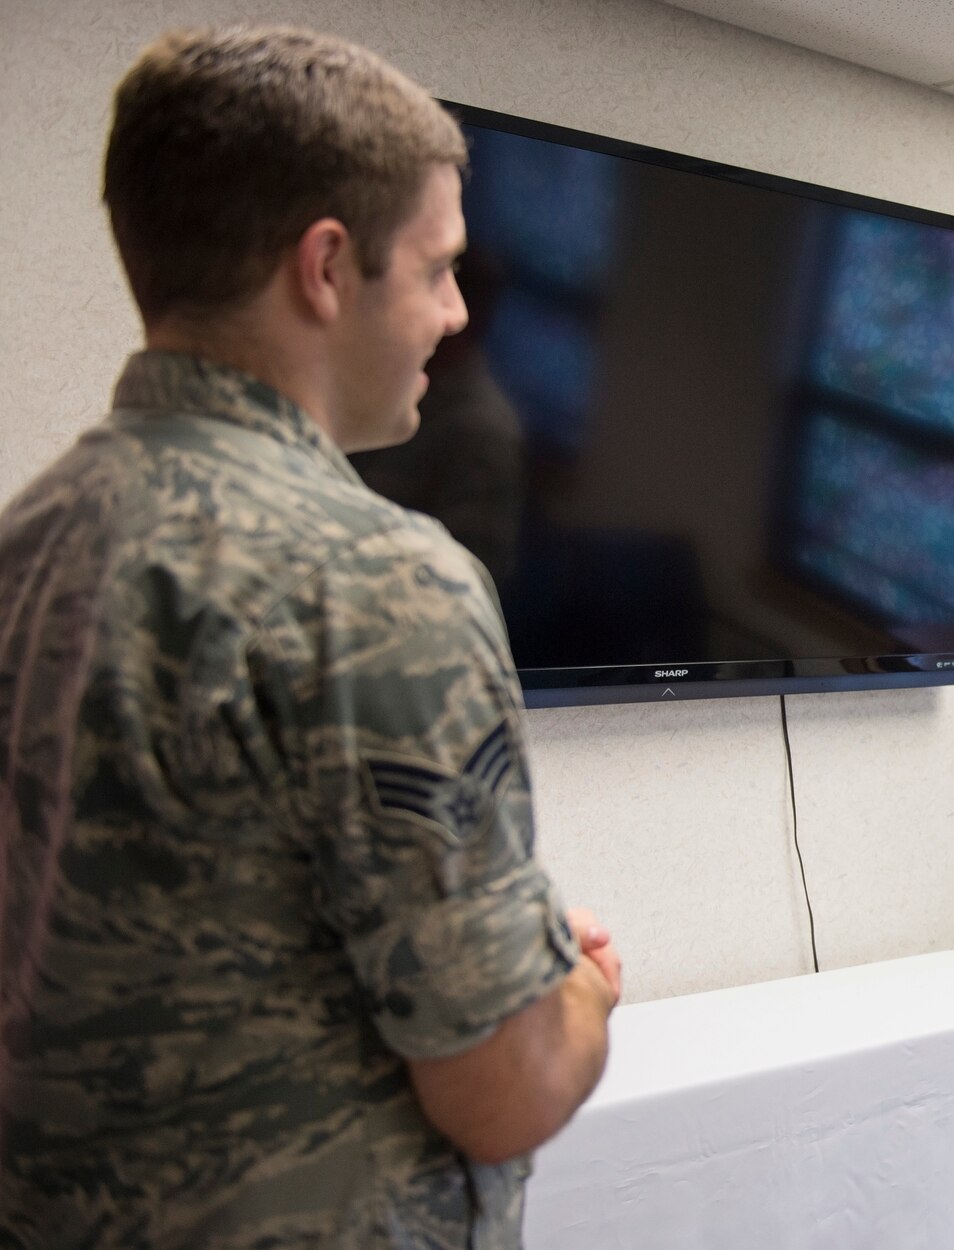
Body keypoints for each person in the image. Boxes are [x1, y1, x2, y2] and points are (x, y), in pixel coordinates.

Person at [0, 27, 620, 1248]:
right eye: (438, 268)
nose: (454, 314)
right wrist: (578, 990)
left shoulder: (27, 543)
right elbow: (504, 1091)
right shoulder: (383, 580)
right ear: (326, 267)